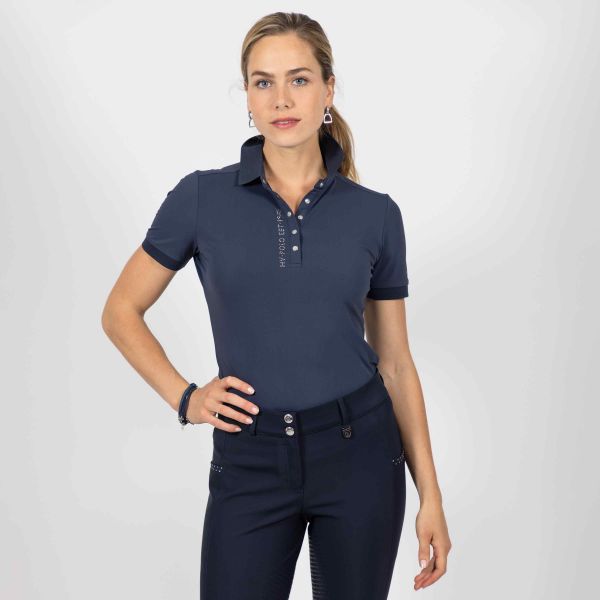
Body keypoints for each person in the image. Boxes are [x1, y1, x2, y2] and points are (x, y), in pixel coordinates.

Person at [101, 11, 451, 599]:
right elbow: (120, 311)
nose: (281, 99)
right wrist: (186, 398)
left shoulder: (376, 214)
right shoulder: (200, 198)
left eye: (299, 79)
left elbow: (394, 364)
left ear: (328, 91)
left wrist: (431, 497)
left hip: (361, 457)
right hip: (250, 459)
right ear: (247, 96)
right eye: (263, 82)